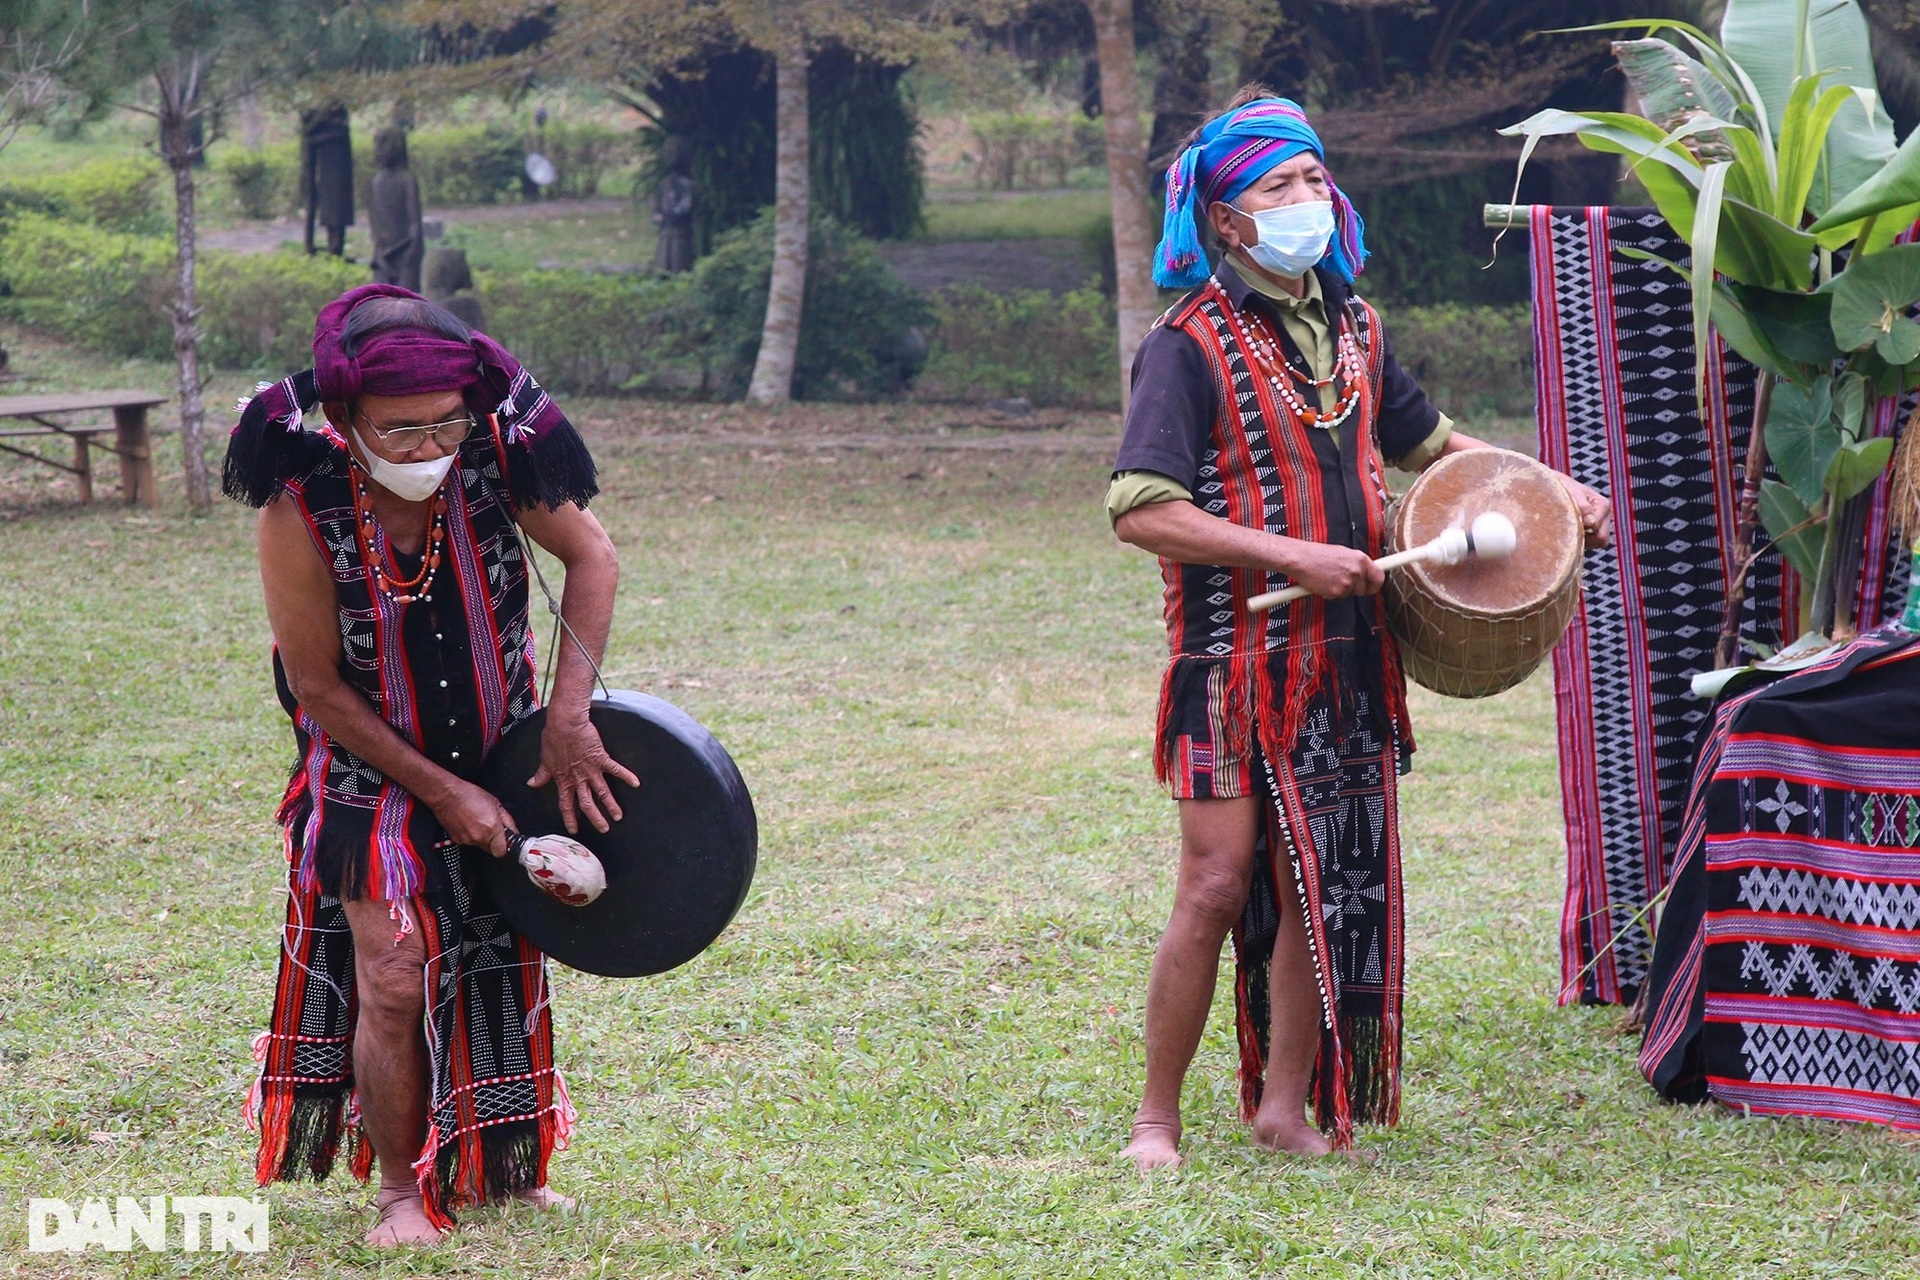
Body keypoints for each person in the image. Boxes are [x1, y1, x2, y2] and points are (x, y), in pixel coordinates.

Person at [1108, 91, 1613, 1170]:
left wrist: (1541, 486)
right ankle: (1157, 1114)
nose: (1307, 201)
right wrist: (1292, 555)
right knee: (1214, 881)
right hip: (1232, 659)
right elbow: (1139, 507)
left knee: (1316, 886)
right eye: (1277, 188)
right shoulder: (1184, 346)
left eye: (1312, 181)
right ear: (1227, 223)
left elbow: (1432, 446)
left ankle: (1282, 1106)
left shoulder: (1357, 328)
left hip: (1346, 654)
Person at [224, 284, 630, 1244]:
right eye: (400, 431)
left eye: (446, 424)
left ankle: (503, 1168)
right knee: (397, 973)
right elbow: (317, 686)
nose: (427, 449)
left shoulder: (496, 457)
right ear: (345, 418)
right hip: (363, 768)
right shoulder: (298, 507)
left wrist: (568, 717)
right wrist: (441, 792)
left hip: (503, 750)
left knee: (501, 950)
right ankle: (403, 1195)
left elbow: (595, 556)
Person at [369, 126, 424, 292]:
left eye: (383, 144)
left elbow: (415, 221)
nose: (378, 151)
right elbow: (374, 222)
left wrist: (413, 248)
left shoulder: (407, 180)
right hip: (383, 255)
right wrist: (378, 251)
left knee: (408, 305)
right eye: (376, 144)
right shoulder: (376, 182)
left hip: (405, 252)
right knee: (381, 304)